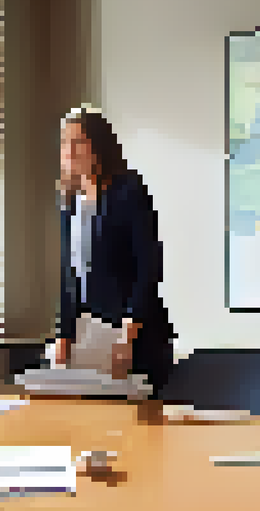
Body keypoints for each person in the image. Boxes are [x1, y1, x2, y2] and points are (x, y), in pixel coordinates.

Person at [52, 107, 177, 393]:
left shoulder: (127, 191)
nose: (69, 150)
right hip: (90, 338)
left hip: (134, 335)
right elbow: (69, 276)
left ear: (98, 147)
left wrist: (127, 334)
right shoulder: (70, 202)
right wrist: (63, 336)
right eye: (65, 142)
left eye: (78, 141)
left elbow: (148, 266)